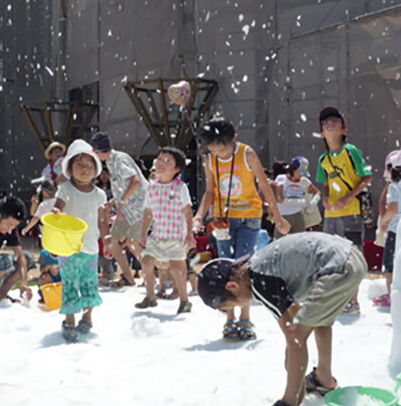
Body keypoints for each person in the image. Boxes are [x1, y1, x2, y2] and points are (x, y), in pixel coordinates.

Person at [197, 232, 367, 406]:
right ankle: (323, 378)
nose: (241, 306)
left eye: (233, 304)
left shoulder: (259, 280)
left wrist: (296, 383)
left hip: (337, 267)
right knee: (319, 320)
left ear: (233, 286)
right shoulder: (259, 266)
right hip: (349, 258)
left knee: (296, 335)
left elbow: (293, 336)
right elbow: (296, 315)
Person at [193, 118, 291, 342]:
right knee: (225, 269)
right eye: (214, 149)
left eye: (223, 148)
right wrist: (200, 215)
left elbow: (264, 186)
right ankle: (230, 317)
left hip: (249, 216)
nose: (220, 153)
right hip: (222, 220)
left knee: (244, 268)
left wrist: (277, 217)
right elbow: (210, 191)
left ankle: (245, 316)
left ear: (233, 139)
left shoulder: (247, 154)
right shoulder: (209, 160)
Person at [316, 106, 372, 315]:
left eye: (334, 121)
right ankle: (336, 300)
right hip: (331, 216)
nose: (329, 123)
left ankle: (353, 301)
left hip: (351, 214)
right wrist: (325, 198)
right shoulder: (324, 160)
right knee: (331, 259)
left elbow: (367, 177)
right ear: (322, 133)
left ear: (343, 130)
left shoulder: (351, 151)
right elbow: (326, 184)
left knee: (352, 257)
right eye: (325, 122)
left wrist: (348, 197)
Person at [54, 139, 111, 342]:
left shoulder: (99, 194)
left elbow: (102, 220)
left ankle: (87, 316)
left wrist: (108, 240)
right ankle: (69, 318)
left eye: (88, 164)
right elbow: (58, 205)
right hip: (68, 247)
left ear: (95, 168)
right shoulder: (66, 189)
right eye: (78, 164)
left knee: (89, 283)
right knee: (69, 283)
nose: (84, 169)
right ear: (70, 168)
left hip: (91, 246)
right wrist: (56, 211)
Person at [135, 147, 195, 314]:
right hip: (157, 235)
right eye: (160, 159)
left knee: (177, 269)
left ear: (177, 169)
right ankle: (150, 297)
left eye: (168, 161)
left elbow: (188, 211)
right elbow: (148, 212)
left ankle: (184, 300)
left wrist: (189, 233)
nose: (161, 163)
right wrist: (143, 232)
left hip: (176, 236)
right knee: (146, 263)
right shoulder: (151, 187)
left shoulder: (180, 187)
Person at [91, 132, 148, 287]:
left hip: (140, 208)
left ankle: (149, 274)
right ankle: (128, 277)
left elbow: (135, 181)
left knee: (133, 243)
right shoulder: (110, 161)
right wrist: (114, 201)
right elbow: (122, 186)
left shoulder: (119, 160)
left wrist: (121, 201)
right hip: (126, 209)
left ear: (97, 151)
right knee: (113, 239)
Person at [274, 157, 321, 238]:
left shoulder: (304, 181)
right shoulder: (281, 179)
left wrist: (312, 204)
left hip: (298, 216)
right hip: (283, 217)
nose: (301, 175)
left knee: (299, 243)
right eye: (300, 172)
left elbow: (317, 192)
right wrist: (300, 202)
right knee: (280, 243)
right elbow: (280, 199)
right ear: (293, 169)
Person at [378, 152, 401, 307]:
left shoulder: (394, 186)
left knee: (390, 264)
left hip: (396, 230)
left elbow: (393, 208)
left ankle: (392, 296)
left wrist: (384, 221)